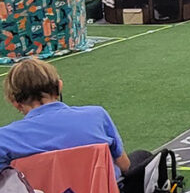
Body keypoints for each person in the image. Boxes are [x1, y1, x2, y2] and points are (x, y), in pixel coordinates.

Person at [0, 59, 142, 175]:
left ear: (15, 103)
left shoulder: (5, 139)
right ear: (59, 87)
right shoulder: (96, 116)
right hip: (100, 191)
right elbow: (124, 165)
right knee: (142, 157)